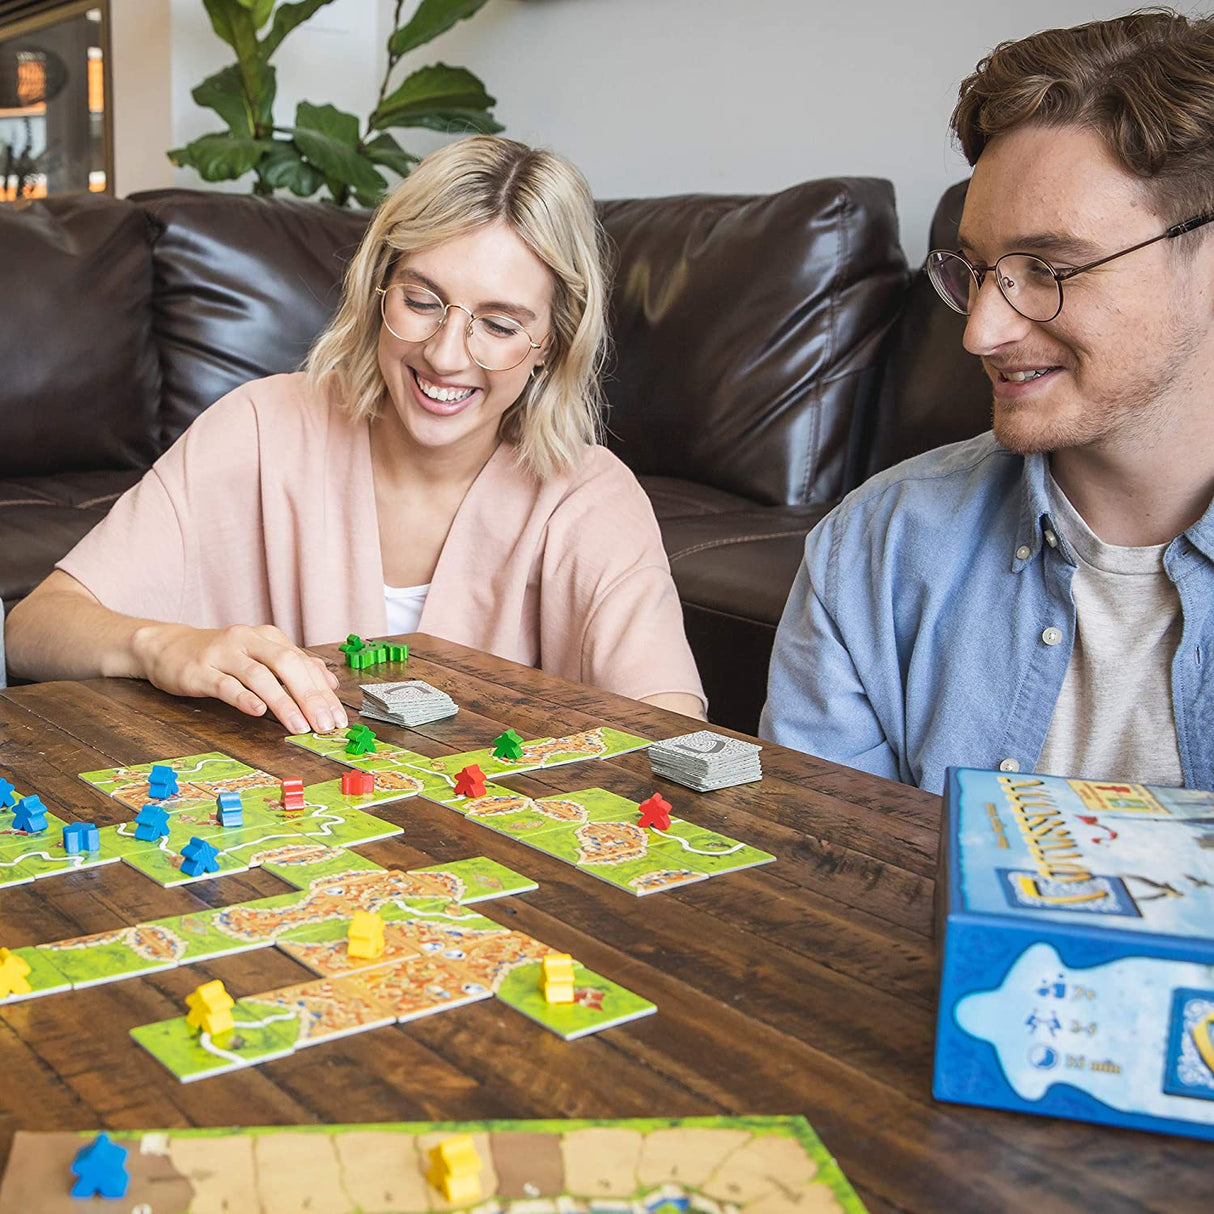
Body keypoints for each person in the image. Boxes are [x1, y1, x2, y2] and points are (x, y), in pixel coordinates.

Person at [4, 137, 706, 731]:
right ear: (378, 289)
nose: (446, 354)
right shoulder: (260, 425)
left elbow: (672, 724)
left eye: (498, 324)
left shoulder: (590, 496)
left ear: (552, 340)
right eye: (422, 301)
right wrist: (162, 646)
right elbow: (35, 629)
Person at [761, 11, 1214, 793]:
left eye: (1048, 268)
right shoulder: (873, 550)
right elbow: (823, 874)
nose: (979, 331)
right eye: (976, 269)